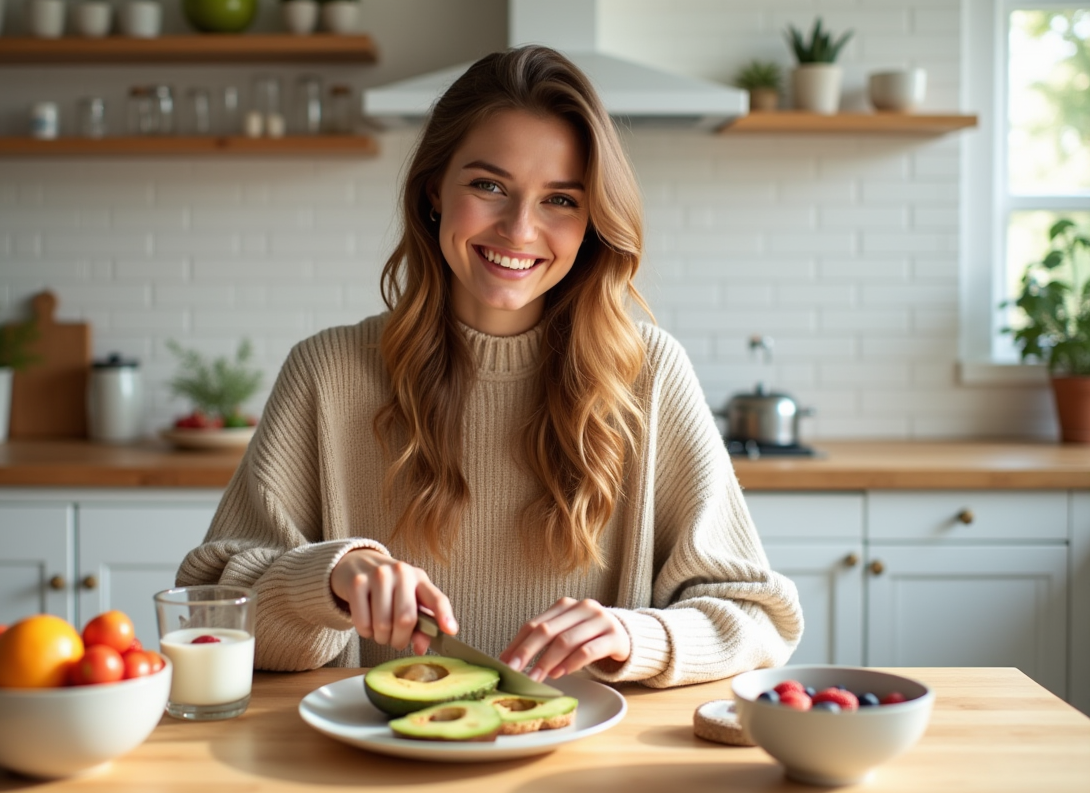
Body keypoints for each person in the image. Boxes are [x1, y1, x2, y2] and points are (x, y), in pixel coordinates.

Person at [176, 45, 802, 688]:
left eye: (560, 200)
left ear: (592, 222)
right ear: (433, 191)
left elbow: (757, 618)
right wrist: (328, 580)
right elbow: (209, 608)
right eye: (489, 186)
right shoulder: (327, 373)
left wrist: (636, 635)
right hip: (375, 773)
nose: (519, 230)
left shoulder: (650, 375)